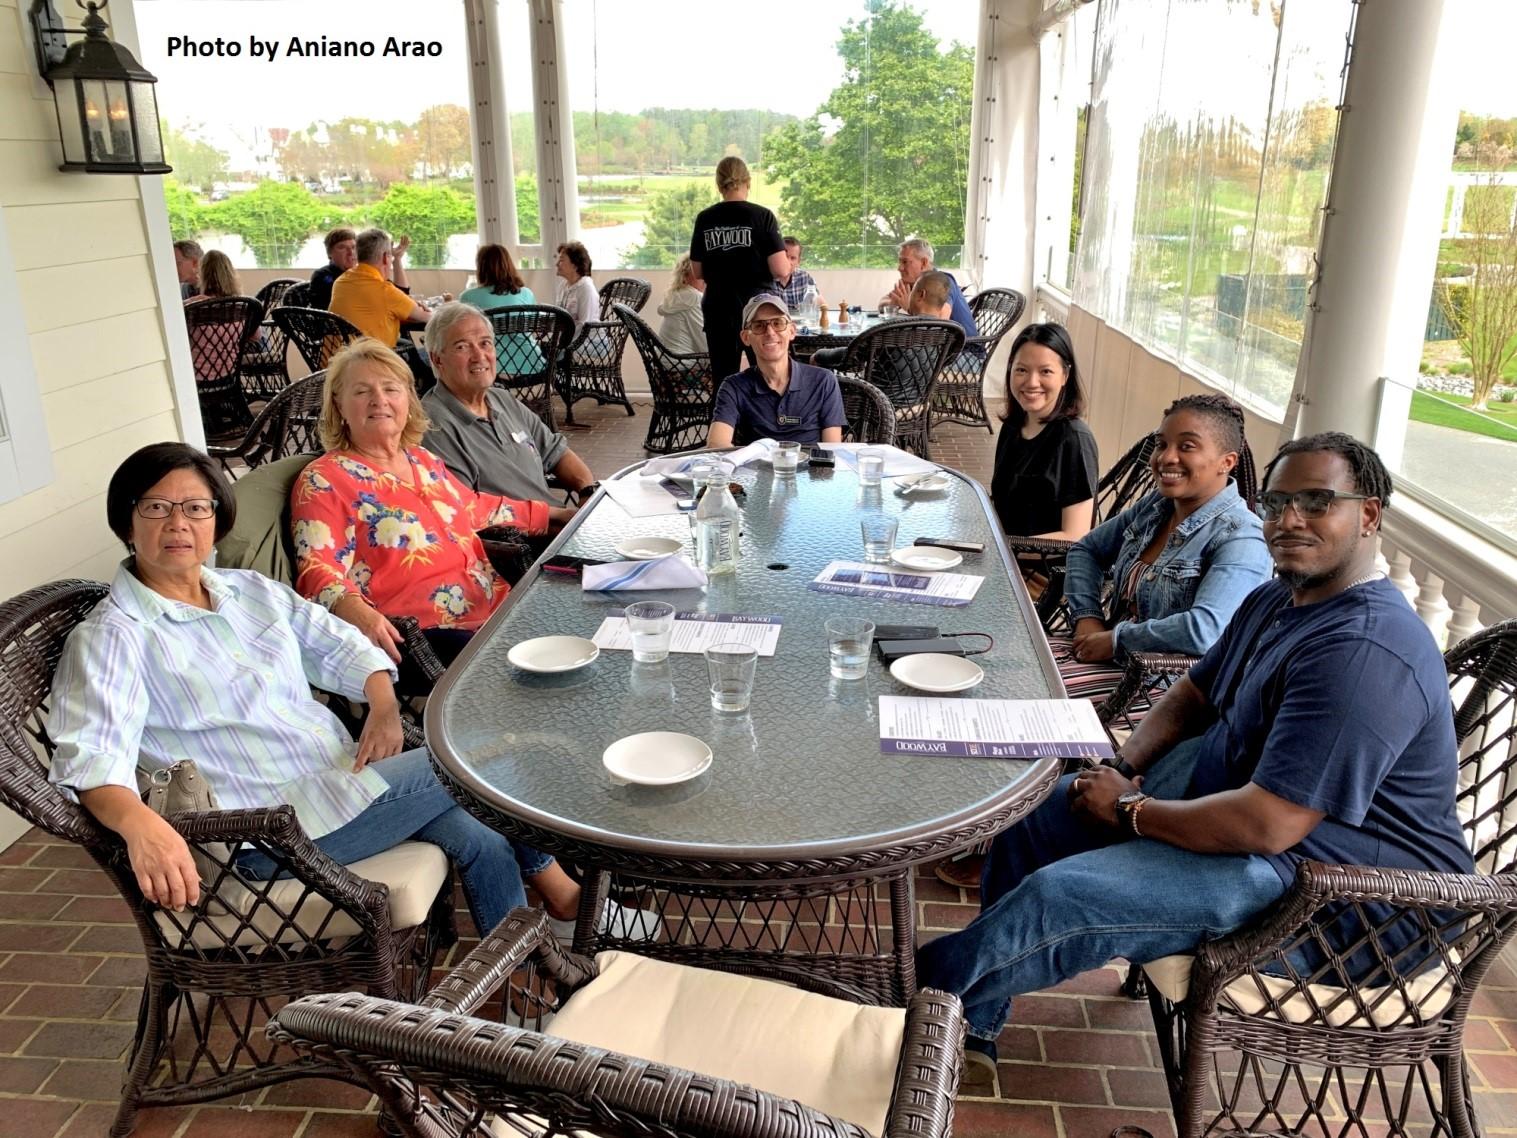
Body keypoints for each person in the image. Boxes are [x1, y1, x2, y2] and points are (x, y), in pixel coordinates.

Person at [917, 433, 1471, 1095]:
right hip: (1252, 835)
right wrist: (1120, 771)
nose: (1289, 519)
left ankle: (907, 998)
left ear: (1369, 516)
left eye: (1316, 502)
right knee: (1034, 817)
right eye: (1276, 503)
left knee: (1060, 898)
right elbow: (1191, 695)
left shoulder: (1363, 651)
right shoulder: (1277, 599)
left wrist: (1130, 811)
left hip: (1343, 905)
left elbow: (1269, 825)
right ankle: (966, 1027)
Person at [45, 441, 601, 940]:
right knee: (485, 755)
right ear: (127, 523)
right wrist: (142, 827)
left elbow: (343, 646)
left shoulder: (248, 592)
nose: (178, 524)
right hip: (269, 832)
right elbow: (92, 759)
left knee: (480, 835)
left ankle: (532, 974)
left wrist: (383, 705)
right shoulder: (113, 636)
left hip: (335, 780)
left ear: (216, 521)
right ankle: (571, 898)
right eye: (156, 508)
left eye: (195, 508)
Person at [289, 338, 574, 669]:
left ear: (408, 400)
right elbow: (317, 568)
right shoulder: (325, 480)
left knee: (577, 626)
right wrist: (356, 611)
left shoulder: (421, 459)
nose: (379, 400)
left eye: (391, 389)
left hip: (494, 607)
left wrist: (558, 515)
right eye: (362, 391)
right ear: (339, 405)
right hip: (426, 635)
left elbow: (473, 507)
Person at [1055, 394, 1272, 704]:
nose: (1166, 457)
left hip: (1161, 693)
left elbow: (1205, 629)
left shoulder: (1242, 537)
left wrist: (1117, 640)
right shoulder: (1157, 506)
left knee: (1023, 700)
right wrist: (1087, 617)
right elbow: (1086, 551)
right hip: (1107, 662)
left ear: (1227, 462)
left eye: (1187, 446)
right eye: (1161, 444)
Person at [421, 302, 598, 504]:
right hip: (520, 525)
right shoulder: (432, 425)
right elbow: (467, 509)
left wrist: (588, 492)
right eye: (462, 347)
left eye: (485, 343)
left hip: (559, 518)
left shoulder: (502, 399)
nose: (479, 356)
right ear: (437, 360)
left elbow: (557, 453)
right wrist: (562, 518)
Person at [991, 322, 1098, 541]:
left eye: (1045, 371)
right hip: (1005, 551)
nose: (1032, 382)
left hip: (1042, 561)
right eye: (1021, 370)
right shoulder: (1012, 427)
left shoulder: (1074, 440)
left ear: (1065, 375)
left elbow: (1075, 536)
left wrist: (1003, 550)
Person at [689, 156, 789, 386]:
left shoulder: (705, 218)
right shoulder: (762, 216)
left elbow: (697, 271)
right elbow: (780, 269)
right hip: (758, 310)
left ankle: (725, 411)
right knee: (767, 376)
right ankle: (763, 411)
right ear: (748, 182)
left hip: (719, 307)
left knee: (723, 380)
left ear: (719, 184)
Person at [707, 294, 846, 448]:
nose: (770, 332)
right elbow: (716, 445)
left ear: (792, 331)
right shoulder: (734, 386)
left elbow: (832, 449)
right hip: (756, 463)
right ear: (746, 337)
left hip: (811, 463)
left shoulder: (823, 381)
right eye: (759, 325)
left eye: (777, 323)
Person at [330, 228, 432, 349]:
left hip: (339, 357)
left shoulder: (341, 281)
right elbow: (427, 317)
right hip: (373, 357)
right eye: (390, 256)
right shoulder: (385, 290)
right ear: (385, 257)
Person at [460, 244, 542, 376]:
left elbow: (463, 334)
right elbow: (535, 330)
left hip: (490, 367)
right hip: (532, 364)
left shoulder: (468, 297)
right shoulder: (527, 293)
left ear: (481, 267)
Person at [880, 238, 978, 338]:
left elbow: (940, 321)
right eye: (900, 262)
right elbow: (882, 303)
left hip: (966, 345)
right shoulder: (913, 283)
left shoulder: (942, 282)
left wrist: (909, 307)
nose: (899, 268)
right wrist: (895, 302)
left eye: (905, 262)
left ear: (923, 262)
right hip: (937, 344)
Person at [657, 253, 707, 355]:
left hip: (667, 359)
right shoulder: (693, 297)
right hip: (682, 361)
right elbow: (706, 344)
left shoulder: (677, 295)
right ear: (685, 276)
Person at [554, 241, 599, 341]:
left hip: (589, 342)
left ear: (575, 265)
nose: (556, 264)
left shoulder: (586, 288)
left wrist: (562, 343)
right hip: (569, 340)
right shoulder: (562, 286)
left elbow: (584, 325)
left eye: (561, 260)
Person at [309, 227, 358, 310]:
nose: (351, 252)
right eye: (342, 247)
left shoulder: (363, 273)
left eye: (353, 247)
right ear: (330, 253)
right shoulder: (322, 275)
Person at [772, 236, 817, 310]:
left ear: (798, 261)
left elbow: (820, 303)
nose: (788, 262)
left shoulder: (805, 277)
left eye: (793, 258)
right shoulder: (764, 280)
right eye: (784, 256)